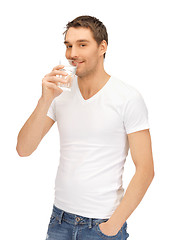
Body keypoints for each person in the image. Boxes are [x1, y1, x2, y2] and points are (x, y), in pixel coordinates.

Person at [16, 15, 154, 240]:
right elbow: (24, 148)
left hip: (101, 225)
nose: (72, 54)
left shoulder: (127, 97)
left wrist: (112, 226)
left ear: (102, 47)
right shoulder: (59, 95)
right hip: (59, 220)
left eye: (82, 44)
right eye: (69, 46)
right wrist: (45, 99)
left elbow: (145, 169)